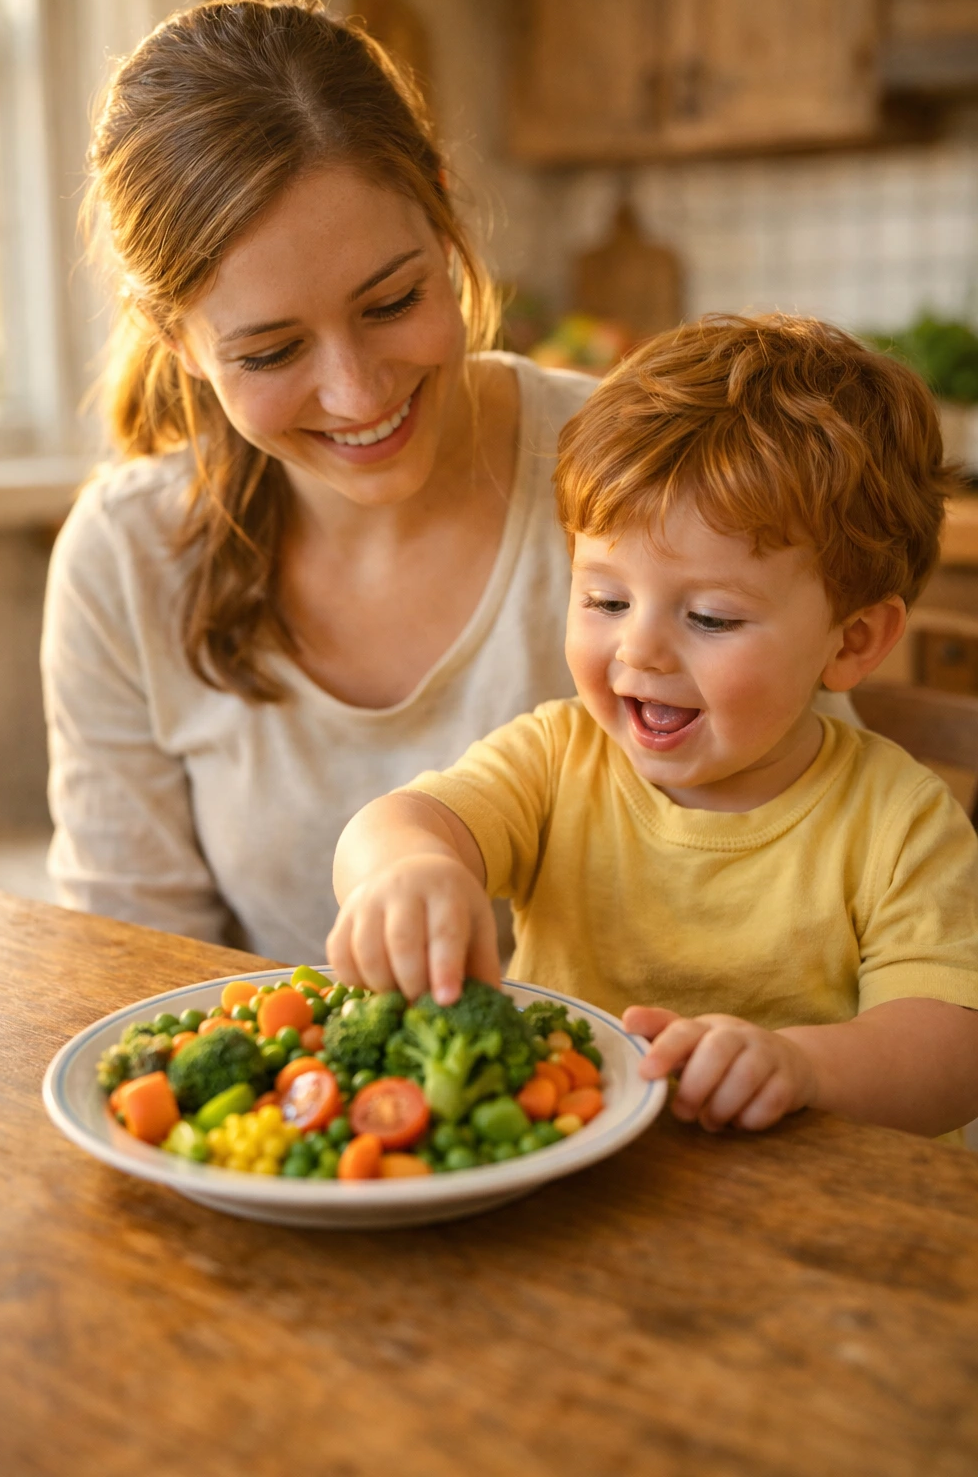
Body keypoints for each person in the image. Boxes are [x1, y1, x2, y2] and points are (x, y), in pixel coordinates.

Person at [41, 0, 596, 963]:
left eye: (393, 301)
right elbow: (131, 969)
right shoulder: (127, 560)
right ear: (180, 343)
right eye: (269, 352)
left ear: (440, 204)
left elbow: (812, 848)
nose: (355, 393)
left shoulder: (633, 466)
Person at [328, 315, 978, 1138]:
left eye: (709, 617)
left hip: (801, 1224)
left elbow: (952, 1057)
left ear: (851, 641)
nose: (638, 648)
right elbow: (397, 823)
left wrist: (806, 1068)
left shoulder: (902, 823)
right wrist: (407, 871)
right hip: (569, 1180)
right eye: (604, 600)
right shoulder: (556, 758)